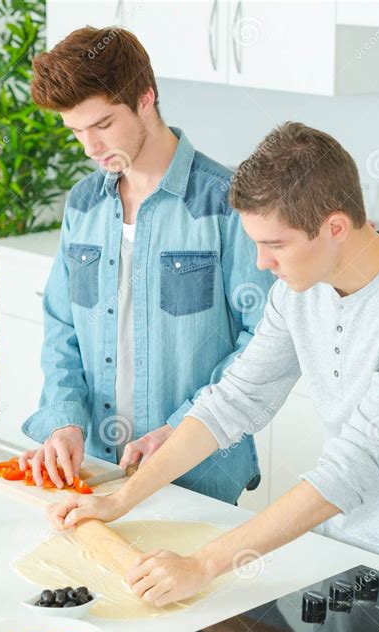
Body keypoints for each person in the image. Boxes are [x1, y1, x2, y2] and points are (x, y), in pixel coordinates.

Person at [49, 122, 379, 607]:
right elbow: (233, 400)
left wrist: (205, 564)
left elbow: (357, 465)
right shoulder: (297, 291)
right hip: (345, 547)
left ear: (335, 227)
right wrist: (120, 499)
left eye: (276, 245)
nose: (261, 263)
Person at [18, 26, 274, 505]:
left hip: (198, 479)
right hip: (96, 473)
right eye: (77, 132)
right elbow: (62, 326)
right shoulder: (84, 204)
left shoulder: (228, 203)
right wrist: (65, 420)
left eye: (103, 125)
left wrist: (181, 432)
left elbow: (262, 344)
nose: (91, 148)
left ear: (145, 99)